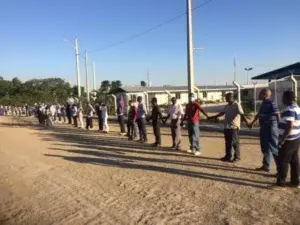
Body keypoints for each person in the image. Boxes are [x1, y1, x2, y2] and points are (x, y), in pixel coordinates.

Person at [210, 93, 249, 162]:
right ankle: (228, 156)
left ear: (231, 97)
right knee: (227, 142)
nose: (226, 99)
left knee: (234, 142)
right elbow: (222, 113)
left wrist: (247, 123)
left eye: (227, 97)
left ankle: (237, 157)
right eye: (225, 97)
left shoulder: (236, 104)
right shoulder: (227, 105)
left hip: (234, 127)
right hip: (227, 126)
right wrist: (213, 117)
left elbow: (242, 114)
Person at [249, 88, 280, 172]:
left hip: (270, 127)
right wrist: (252, 123)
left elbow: (277, 115)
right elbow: (259, 114)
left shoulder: (272, 103)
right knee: (265, 147)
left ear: (265, 95)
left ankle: (280, 170)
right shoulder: (263, 103)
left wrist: (279, 127)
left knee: (274, 148)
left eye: (261, 93)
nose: (259, 95)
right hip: (264, 127)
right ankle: (266, 166)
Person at [276, 91, 300, 188]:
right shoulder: (297, 108)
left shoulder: (289, 109)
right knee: (294, 160)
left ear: (286, 98)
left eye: (283, 97)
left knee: (283, 160)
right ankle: (295, 182)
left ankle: (281, 182)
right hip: (296, 138)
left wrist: (282, 139)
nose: (282, 99)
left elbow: (289, 126)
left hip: (288, 139)